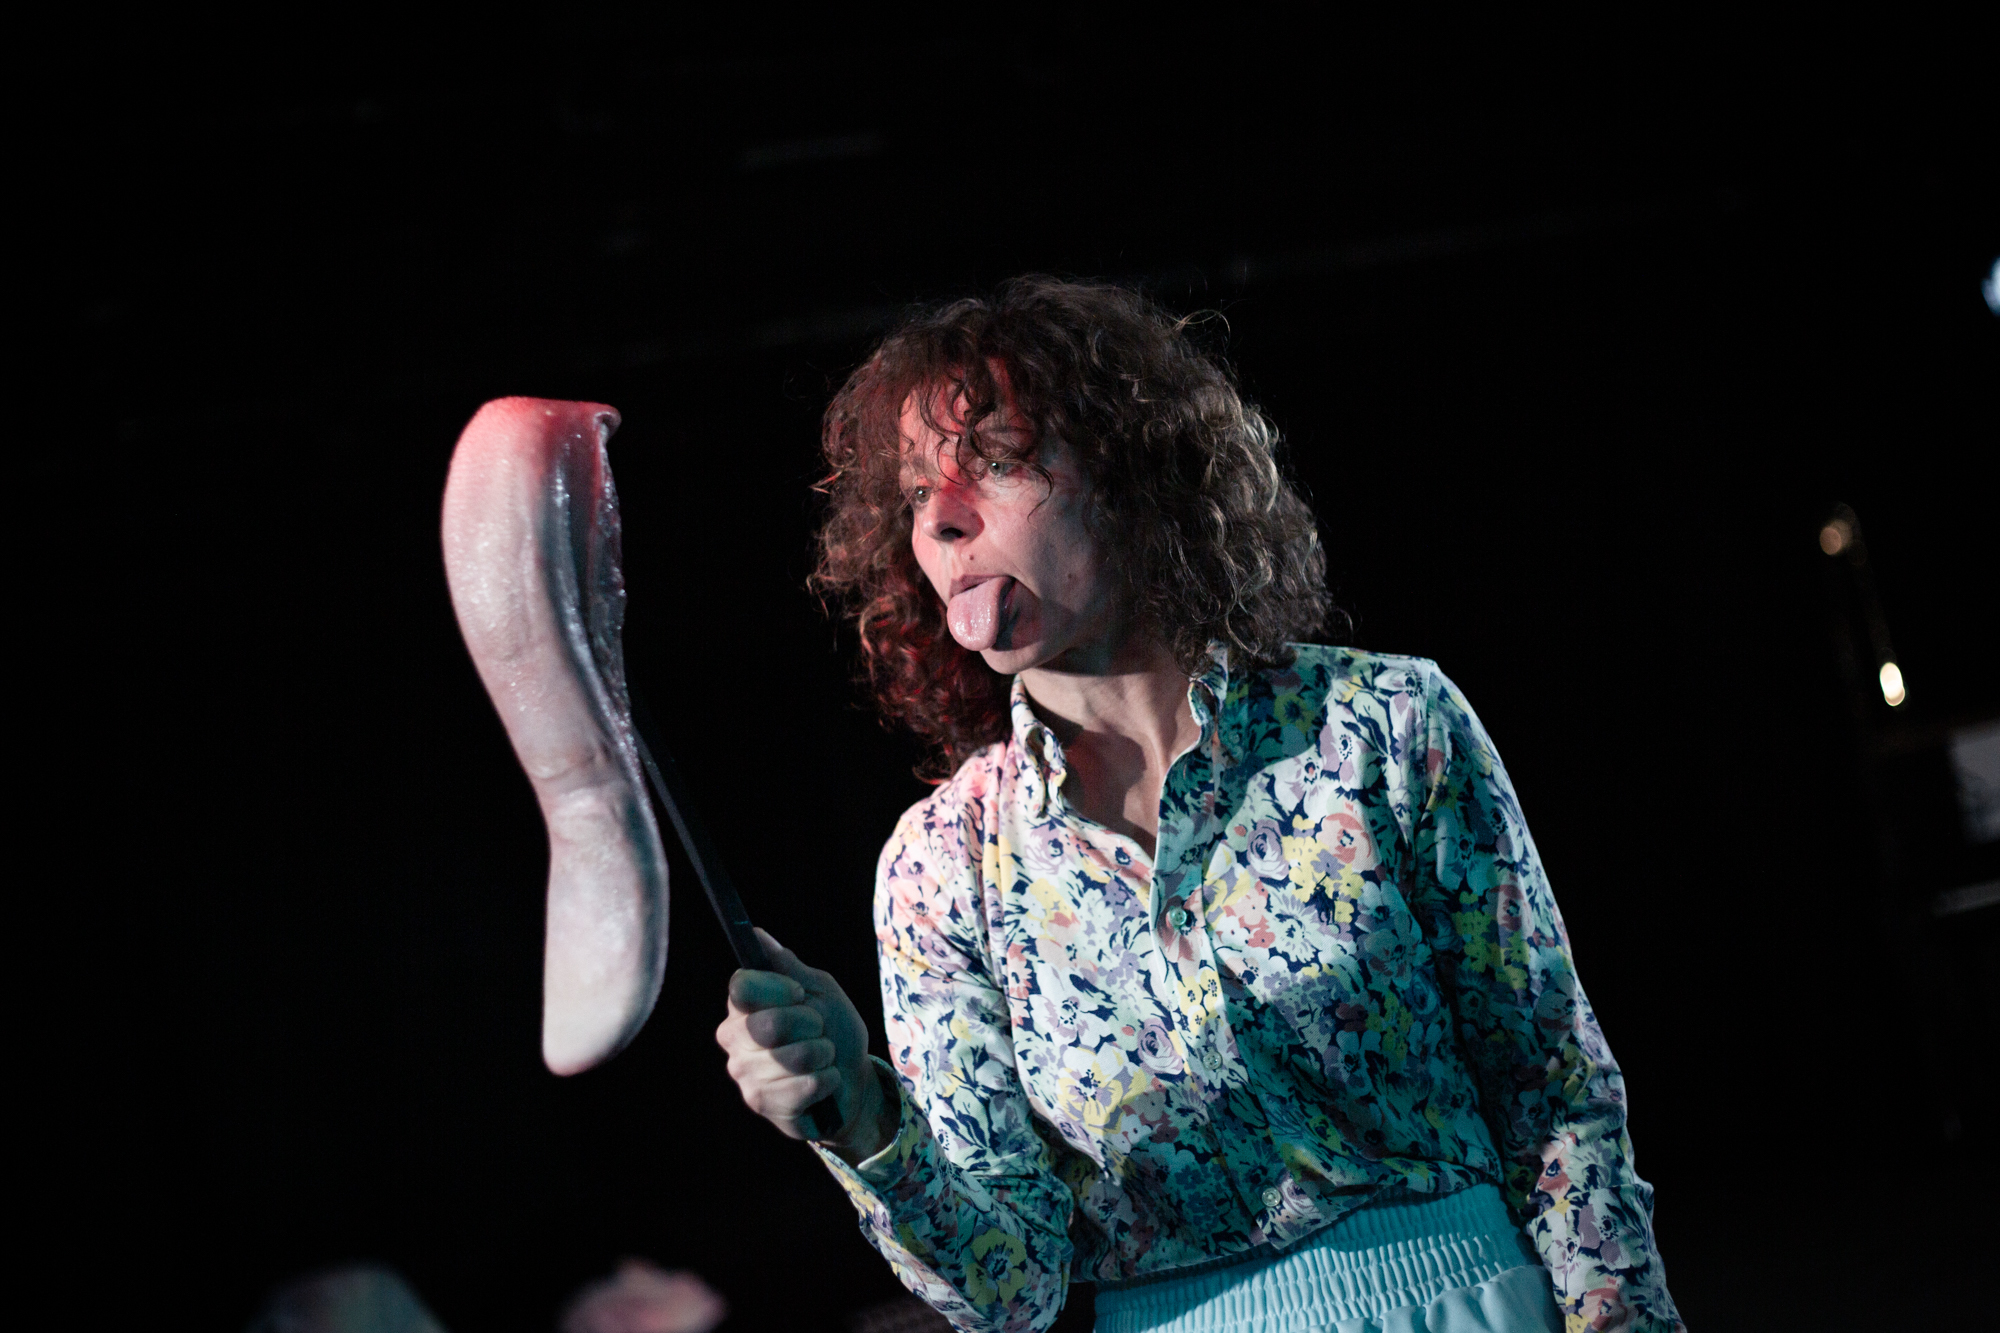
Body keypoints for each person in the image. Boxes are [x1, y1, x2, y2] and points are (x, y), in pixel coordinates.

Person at [714, 278, 1682, 1333]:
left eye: (995, 460)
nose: (943, 518)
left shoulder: (1379, 723)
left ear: (1127, 475)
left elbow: (1554, 1099)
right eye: (914, 492)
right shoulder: (943, 861)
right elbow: (1011, 1290)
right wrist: (861, 1115)